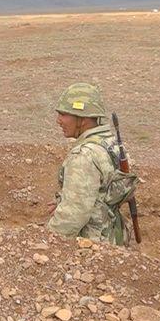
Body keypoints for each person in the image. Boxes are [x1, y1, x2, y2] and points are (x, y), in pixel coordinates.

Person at [47, 82, 137, 245]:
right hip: (112, 240)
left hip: (90, 247)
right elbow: (104, 193)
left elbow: (71, 218)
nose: (58, 121)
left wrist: (44, 245)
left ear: (83, 119)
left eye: (64, 114)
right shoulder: (110, 143)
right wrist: (65, 199)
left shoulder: (84, 156)